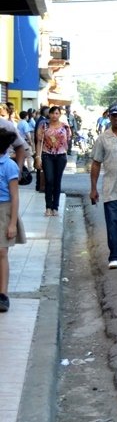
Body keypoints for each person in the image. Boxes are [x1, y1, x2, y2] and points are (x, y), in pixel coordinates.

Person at [90, 103, 117, 269]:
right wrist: (93, 188)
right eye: (113, 115)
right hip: (111, 188)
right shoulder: (103, 138)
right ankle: (116, 256)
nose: (116, 118)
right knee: (113, 223)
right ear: (109, 117)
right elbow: (96, 163)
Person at [0, 130, 26, 313]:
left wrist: (12, 223)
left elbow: (15, 196)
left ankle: (3, 295)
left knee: (2, 252)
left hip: (5, 209)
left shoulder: (9, 166)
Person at [36, 105, 72, 216]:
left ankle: (55, 207)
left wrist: (65, 150)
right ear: (49, 114)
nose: (54, 115)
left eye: (57, 113)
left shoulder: (65, 127)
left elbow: (68, 140)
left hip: (61, 156)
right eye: (52, 113)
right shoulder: (44, 126)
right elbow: (39, 142)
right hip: (47, 156)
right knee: (49, 180)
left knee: (57, 181)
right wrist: (38, 157)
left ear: (60, 115)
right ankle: (48, 207)